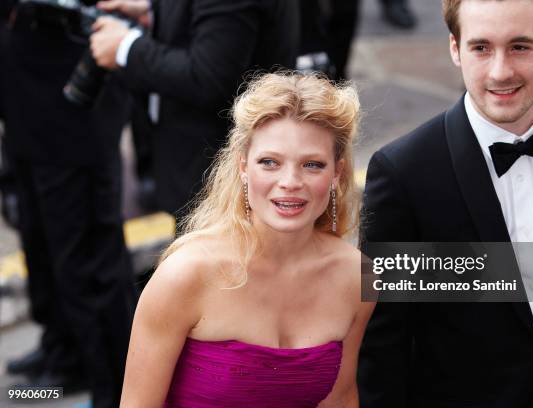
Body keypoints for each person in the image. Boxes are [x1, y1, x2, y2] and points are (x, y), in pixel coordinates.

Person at [358, 0, 533, 407]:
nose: (500, 71)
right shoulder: (404, 173)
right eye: (481, 48)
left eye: (519, 47)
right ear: (455, 49)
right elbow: (384, 348)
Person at [120, 72, 375, 407]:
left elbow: (340, 398)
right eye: (269, 162)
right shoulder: (186, 274)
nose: (290, 182)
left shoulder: (358, 276)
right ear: (243, 166)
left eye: (312, 165)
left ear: (337, 174)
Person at [2, 0, 136, 406]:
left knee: (86, 260)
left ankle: (114, 390)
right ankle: (67, 356)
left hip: (73, 98)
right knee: (43, 242)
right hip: (27, 86)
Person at [90, 0, 299, 219]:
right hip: (209, 174)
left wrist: (127, 48)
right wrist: (155, 10)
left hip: (221, 180)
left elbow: (208, 77)